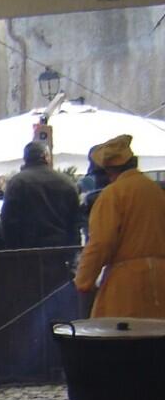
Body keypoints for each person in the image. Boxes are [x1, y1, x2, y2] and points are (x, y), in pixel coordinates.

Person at [74, 134, 165, 317]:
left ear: (107, 172)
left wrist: (83, 280)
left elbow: (100, 243)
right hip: (161, 281)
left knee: (122, 340)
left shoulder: (112, 195)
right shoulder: (156, 191)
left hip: (127, 287)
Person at [0, 141, 82, 250]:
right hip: (60, 249)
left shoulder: (17, 183)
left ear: (25, 158)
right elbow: (74, 220)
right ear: (46, 157)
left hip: (26, 249)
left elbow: (8, 220)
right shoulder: (66, 182)